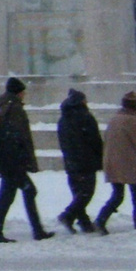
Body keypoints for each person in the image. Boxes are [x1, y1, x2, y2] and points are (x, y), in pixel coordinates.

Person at [0, 77, 52, 243]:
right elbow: (19, 137)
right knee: (27, 191)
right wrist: (22, 160)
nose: (24, 94)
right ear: (19, 92)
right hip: (14, 162)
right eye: (23, 92)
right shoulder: (15, 109)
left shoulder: (4, 107)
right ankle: (36, 231)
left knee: (9, 196)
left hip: (8, 161)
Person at [95, 91, 136, 233]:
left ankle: (101, 219)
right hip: (129, 162)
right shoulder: (132, 121)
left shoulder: (114, 119)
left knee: (117, 195)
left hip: (112, 161)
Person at [55, 88, 104, 233]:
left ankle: (84, 223)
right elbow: (95, 140)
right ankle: (68, 215)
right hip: (86, 160)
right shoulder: (85, 117)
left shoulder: (63, 118)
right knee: (87, 192)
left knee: (78, 192)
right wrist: (99, 157)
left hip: (70, 160)